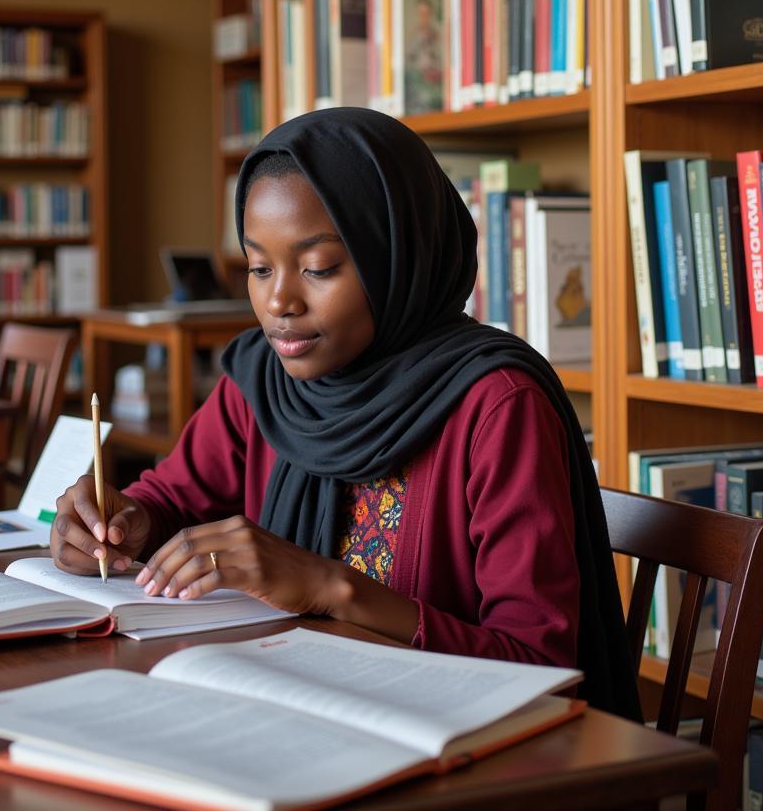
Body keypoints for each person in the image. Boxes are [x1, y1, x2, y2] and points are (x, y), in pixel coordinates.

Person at [52, 106, 641, 719]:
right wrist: (124, 524)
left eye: (318, 267)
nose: (279, 300)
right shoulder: (265, 379)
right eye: (258, 267)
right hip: (293, 713)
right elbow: (173, 497)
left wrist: (329, 587)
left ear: (396, 257)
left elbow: (537, 666)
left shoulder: (497, 407)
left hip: (458, 748)